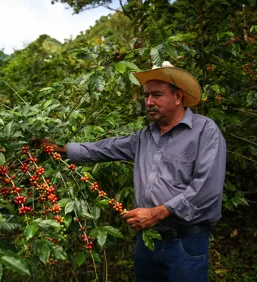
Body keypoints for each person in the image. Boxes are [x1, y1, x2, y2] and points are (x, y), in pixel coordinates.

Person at [34, 61, 226, 282]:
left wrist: (157, 213)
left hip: (185, 242)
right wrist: (63, 149)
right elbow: (106, 148)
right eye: (147, 96)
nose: (149, 102)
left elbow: (207, 189)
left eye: (157, 95)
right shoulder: (145, 136)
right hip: (147, 241)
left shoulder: (205, 131)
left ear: (178, 96)